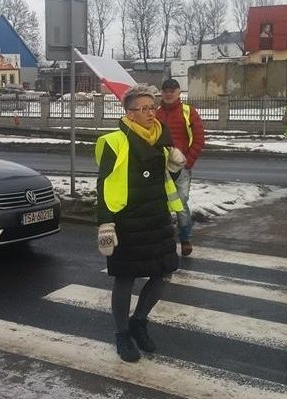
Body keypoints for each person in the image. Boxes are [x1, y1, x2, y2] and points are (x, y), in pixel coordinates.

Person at [95, 84, 184, 362]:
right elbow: (103, 186)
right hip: (127, 220)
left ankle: (139, 320)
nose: (150, 113)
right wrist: (105, 224)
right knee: (125, 279)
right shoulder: (115, 142)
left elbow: (165, 181)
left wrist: (174, 168)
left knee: (163, 273)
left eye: (152, 107)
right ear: (129, 113)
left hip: (157, 217)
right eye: (143, 108)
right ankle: (122, 334)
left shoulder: (160, 139)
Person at [156, 79, 205, 256]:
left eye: (172, 90)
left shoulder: (188, 112)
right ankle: (166, 238)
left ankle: (185, 239)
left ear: (178, 93)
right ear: (161, 93)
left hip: (182, 168)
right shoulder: (156, 114)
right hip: (161, 167)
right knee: (161, 204)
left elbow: (199, 139)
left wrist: (188, 162)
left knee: (181, 204)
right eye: (165, 90)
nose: (168, 93)